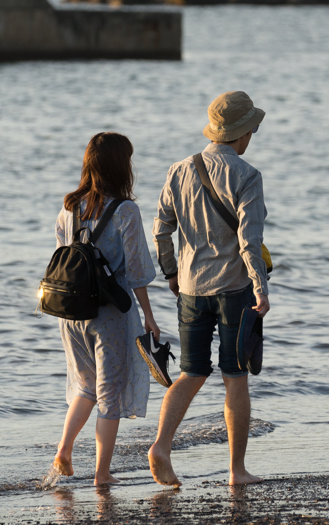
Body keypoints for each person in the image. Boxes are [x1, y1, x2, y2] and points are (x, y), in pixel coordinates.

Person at [150, 91, 271, 487]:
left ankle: (161, 447)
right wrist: (261, 288)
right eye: (252, 127)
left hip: (189, 289)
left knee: (190, 372)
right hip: (233, 290)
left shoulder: (179, 169)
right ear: (244, 133)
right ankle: (237, 471)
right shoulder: (248, 176)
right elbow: (249, 243)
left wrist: (171, 272)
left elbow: (160, 229)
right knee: (235, 376)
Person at [51, 132, 160, 486]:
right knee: (109, 393)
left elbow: (63, 256)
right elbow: (138, 269)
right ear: (120, 166)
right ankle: (102, 474)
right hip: (109, 314)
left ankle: (64, 451)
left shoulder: (69, 207)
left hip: (71, 313)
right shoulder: (125, 210)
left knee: (85, 386)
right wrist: (149, 315)